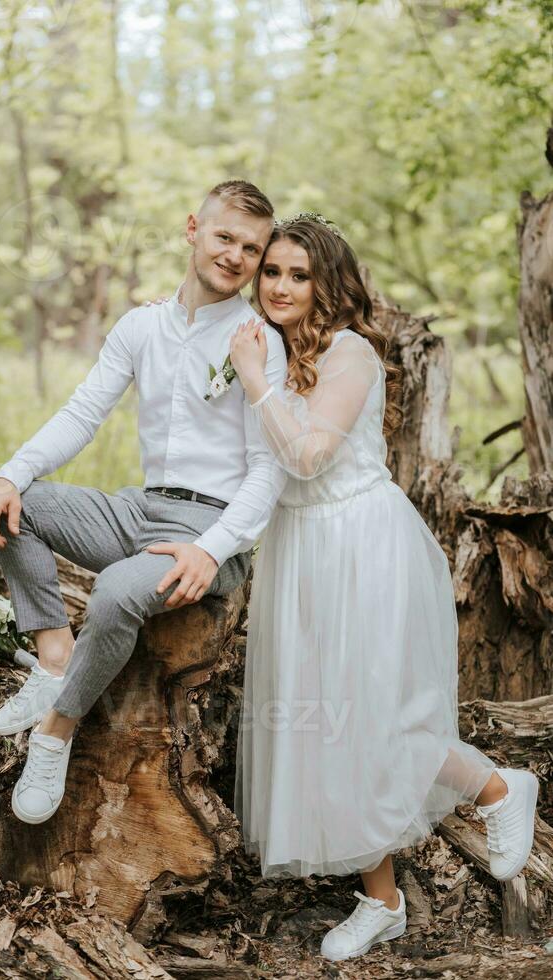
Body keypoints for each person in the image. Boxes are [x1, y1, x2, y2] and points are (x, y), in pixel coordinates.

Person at [227, 214, 539, 963]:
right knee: (325, 720)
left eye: (298, 275)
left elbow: (305, 457)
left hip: (361, 544)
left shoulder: (351, 353)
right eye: (271, 271)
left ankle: (498, 787)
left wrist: (255, 382)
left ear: (328, 282)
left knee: (375, 714)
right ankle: (383, 899)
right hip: (299, 549)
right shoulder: (266, 346)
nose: (279, 286)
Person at [0, 180, 289, 825]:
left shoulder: (259, 341)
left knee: (117, 591)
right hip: (141, 509)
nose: (234, 256)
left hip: (211, 528)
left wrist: (213, 549)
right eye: (224, 236)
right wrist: (10, 472)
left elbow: (269, 471)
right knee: (23, 505)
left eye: (251, 249)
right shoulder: (141, 325)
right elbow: (83, 412)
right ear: (192, 230)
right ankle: (54, 661)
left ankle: (56, 731)